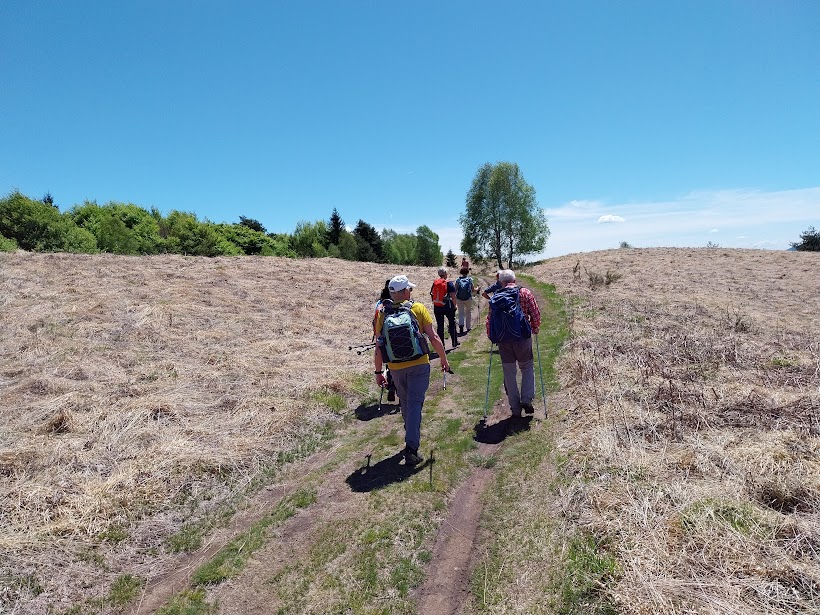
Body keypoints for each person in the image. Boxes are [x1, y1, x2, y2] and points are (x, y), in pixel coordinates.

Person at [374, 275, 450, 465]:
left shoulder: (382, 312)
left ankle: (410, 434)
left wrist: (378, 372)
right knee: (415, 403)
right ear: (404, 291)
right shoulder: (418, 308)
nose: (410, 291)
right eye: (409, 288)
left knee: (406, 402)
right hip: (419, 364)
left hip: (395, 367)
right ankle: (412, 448)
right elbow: (433, 337)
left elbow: (379, 346)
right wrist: (443, 358)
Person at [485, 269, 541, 417]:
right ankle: (526, 399)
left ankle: (515, 408)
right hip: (523, 337)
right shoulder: (525, 293)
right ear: (514, 280)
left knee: (509, 372)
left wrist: (492, 336)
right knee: (527, 367)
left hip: (504, 340)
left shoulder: (496, 297)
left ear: (501, 282)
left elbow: (489, 319)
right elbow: (535, 314)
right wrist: (535, 328)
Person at [373, 279, 397, 402]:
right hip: (397, 337)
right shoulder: (398, 302)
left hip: (384, 340)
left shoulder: (380, 304)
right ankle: (401, 391)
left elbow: (375, 323)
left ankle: (391, 386)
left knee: (389, 363)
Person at [430, 267, 459, 349]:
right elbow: (453, 296)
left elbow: (432, 294)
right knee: (452, 324)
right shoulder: (449, 283)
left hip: (437, 307)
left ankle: (441, 345)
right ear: (446, 273)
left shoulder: (435, 283)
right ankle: (454, 342)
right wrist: (455, 306)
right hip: (448, 307)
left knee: (440, 326)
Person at [454, 267, 474, 334]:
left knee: (461, 313)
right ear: (467, 272)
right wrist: (478, 289)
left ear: (461, 272)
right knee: (468, 312)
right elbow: (473, 289)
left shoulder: (458, 280)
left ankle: (461, 325)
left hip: (459, 299)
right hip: (468, 298)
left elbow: (455, 290)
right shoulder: (470, 279)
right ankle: (468, 327)